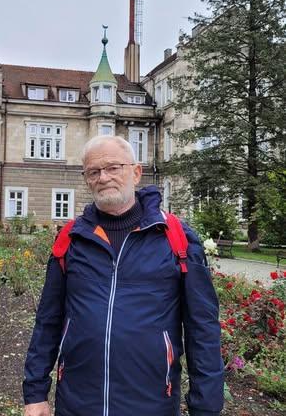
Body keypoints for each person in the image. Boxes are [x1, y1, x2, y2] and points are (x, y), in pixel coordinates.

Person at [23, 135, 224, 416]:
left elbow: (202, 329)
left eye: (113, 167)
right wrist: (35, 394)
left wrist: (206, 408)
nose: (103, 177)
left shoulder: (176, 238)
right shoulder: (72, 238)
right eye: (93, 171)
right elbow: (48, 321)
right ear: (86, 180)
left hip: (151, 405)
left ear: (136, 172)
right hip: (77, 403)